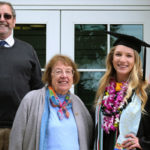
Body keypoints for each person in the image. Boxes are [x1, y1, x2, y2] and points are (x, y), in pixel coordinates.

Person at [9, 54, 94, 150]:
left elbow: (89, 137)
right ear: (50, 75)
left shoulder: (78, 103)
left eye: (68, 71)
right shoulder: (31, 100)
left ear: (73, 76)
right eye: (58, 71)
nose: (64, 76)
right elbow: (17, 138)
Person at [94, 31, 150, 150]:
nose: (122, 60)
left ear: (136, 61)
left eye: (129, 56)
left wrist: (143, 143)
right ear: (112, 58)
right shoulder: (104, 89)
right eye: (118, 54)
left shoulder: (144, 92)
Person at [0, 1, 43, 150]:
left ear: (14, 21)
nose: (2, 19)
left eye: (7, 16)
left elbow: (38, 89)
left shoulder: (27, 50)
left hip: (20, 128)